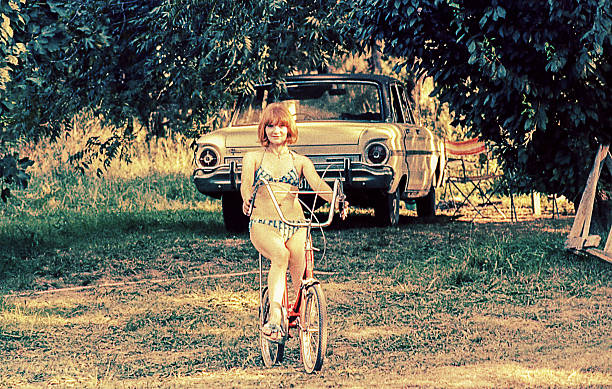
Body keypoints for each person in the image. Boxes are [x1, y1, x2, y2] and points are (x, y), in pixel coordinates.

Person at [240, 102, 344, 342]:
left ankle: (302, 313)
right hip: (264, 222)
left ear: (289, 130)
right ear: (263, 130)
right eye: (270, 126)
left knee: (301, 269)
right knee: (280, 256)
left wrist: (336, 200)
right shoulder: (253, 158)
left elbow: (317, 185)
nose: (276, 131)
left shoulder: (300, 162)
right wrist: (247, 199)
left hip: (295, 223)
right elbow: (246, 186)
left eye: (281, 126)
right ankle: (275, 316)